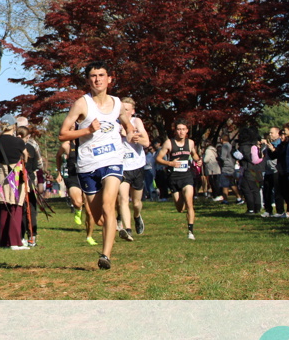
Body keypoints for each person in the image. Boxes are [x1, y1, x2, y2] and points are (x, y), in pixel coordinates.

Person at [58, 60, 133, 270]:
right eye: (93, 76)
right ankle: (113, 225)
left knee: (109, 205)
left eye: (101, 75)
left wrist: (129, 132)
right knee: (99, 219)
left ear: (109, 79)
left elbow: (127, 123)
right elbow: (63, 134)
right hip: (88, 165)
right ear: (88, 80)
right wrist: (88, 130)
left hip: (112, 160)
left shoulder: (117, 103)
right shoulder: (82, 104)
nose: (98, 79)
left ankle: (105, 256)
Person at [156, 120, 201, 240]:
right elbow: (158, 159)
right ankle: (182, 199)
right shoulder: (169, 143)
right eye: (179, 129)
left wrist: (198, 160)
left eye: (183, 129)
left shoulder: (190, 143)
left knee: (190, 203)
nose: (181, 132)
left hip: (187, 176)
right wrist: (170, 163)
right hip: (174, 178)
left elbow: (194, 154)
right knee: (180, 208)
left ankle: (190, 232)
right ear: (175, 131)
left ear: (187, 131)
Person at [0, 117, 29, 249]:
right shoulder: (18, 141)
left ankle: (2, 241)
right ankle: (14, 241)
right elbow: (25, 156)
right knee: (16, 206)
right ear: (14, 126)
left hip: (3, 174)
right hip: (16, 173)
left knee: (4, 207)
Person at [118, 97, 150, 240]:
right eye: (121, 109)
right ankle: (128, 230)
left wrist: (132, 137)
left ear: (132, 111)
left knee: (136, 203)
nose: (123, 112)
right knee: (123, 199)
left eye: (126, 110)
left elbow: (146, 142)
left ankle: (137, 216)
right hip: (122, 167)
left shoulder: (136, 122)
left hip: (137, 166)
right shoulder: (115, 124)